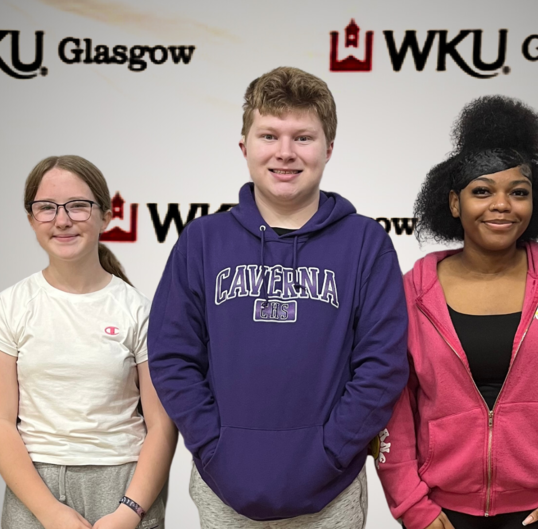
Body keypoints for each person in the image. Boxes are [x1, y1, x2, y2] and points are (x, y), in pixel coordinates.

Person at [147, 66, 409, 528]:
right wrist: (213, 446)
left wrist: (331, 451)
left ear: (328, 148)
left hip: (332, 490)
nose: (285, 153)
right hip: (224, 485)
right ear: (244, 146)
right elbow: (172, 357)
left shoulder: (366, 243)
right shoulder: (202, 241)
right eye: (269, 135)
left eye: (302, 138)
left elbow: (382, 365)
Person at [377, 96, 538, 529]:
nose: (501, 205)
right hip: (440, 513)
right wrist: (411, 504)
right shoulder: (414, 289)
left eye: (517, 193)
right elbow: (394, 405)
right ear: (452, 203)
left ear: (534, 202)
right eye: (481, 191)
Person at [0, 155, 176, 529]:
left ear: (106, 214)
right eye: (46, 208)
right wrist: (49, 511)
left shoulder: (139, 311)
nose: (63, 219)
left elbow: (162, 425)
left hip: (124, 485)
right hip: (35, 490)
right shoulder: (10, 306)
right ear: (31, 218)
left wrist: (129, 511)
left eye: (79, 206)